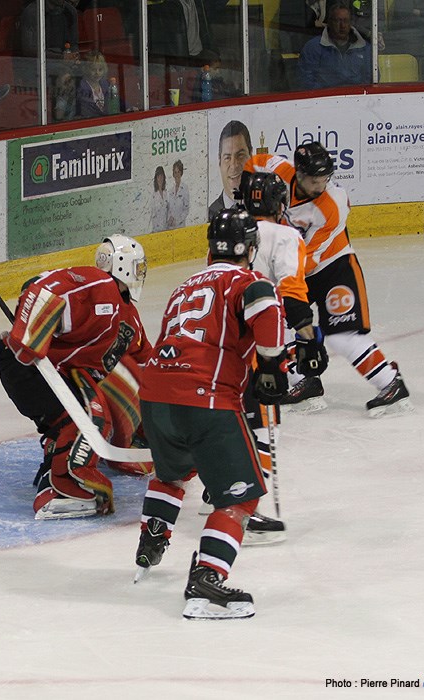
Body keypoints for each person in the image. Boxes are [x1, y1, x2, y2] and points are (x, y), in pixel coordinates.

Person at [134, 208, 288, 620]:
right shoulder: (248, 281)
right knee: (242, 498)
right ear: (250, 248)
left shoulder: (184, 287)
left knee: (172, 473)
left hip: (153, 395)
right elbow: (266, 315)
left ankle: (153, 537)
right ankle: (207, 579)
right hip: (206, 398)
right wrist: (272, 367)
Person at [244, 141, 412, 417]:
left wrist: (281, 281)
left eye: (325, 178)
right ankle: (304, 382)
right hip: (296, 266)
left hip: (334, 268)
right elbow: (254, 163)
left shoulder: (332, 205)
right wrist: (246, 187)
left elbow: (308, 257)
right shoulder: (282, 172)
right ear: (298, 174)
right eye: (314, 180)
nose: (320, 185)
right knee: (275, 324)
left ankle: (390, 383)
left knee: (342, 336)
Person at [0, 235, 151, 520]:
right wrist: (28, 335)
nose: (140, 274)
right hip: (25, 364)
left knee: (83, 413)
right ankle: (62, 488)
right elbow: (39, 286)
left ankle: (54, 463)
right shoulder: (99, 286)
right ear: (123, 266)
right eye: (138, 267)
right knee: (88, 417)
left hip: (52, 373)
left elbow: (144, 364)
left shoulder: (129, 315)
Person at [235, 171, 328, 545]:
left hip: (220, 347)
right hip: (259, 349)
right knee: (262, 424)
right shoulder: (288, 236)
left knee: (228, 420)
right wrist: (309, 341)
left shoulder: (231, 232)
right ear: (279, 205)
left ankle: (220, 490)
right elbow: (292, 295)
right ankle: (246, 510)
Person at [297, 1, 372, 90]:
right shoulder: (313, 47)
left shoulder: (364, 48)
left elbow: (371, 78)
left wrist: (356, 93)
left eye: (345, 21)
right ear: (329, 22)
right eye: (337, 21)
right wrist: (327, 94)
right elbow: (306, 79)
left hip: (357, 96)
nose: (342, 25)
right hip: (325, 97)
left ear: (350, 23)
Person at [208, 119, 252, 220]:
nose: (234, 165)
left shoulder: (266, 210)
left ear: (251, 155)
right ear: (220, 162)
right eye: (227, 158)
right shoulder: (208, 216)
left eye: (240, 155)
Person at [75, 49, 110, 118]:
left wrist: (128, 108)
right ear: (86, 69)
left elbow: (116, 99)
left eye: (100, 69)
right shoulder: (82, 88)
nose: (97, 73)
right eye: (93, 69)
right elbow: (86, 111)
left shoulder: (105, 84)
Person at [166, 159, 188, 228]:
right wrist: (169, 218)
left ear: (181, 173)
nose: (177, 174)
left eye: (178, 172)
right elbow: (168, 208)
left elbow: (186, 209)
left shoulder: (185, 189)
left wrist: (178, 221)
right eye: (175, 172)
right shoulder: (170, 190)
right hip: (170, 226)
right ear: (173, 174)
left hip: (180, 226)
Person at [149, 165, 168, 232]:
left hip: (166, 229)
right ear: (156, 178)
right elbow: (151, 214)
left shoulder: (166, 193)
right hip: (156, 230)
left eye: (161, 176)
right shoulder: (153, 195)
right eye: (158, 176)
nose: (160, 178)